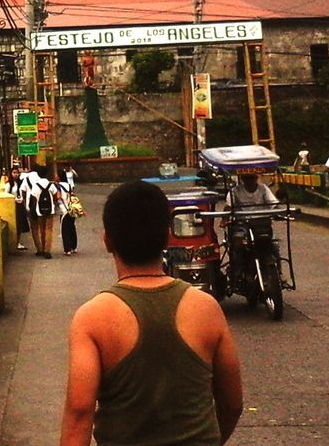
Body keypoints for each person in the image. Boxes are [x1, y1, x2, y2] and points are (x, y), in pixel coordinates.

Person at [60, 181, 244, 446]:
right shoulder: (206, 308)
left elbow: (79, 413)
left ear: (107, 241)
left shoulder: (92, 317)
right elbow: (232, 404)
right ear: (168, 236)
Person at [28, 169, 62, 258]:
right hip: (50, 210)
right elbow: (56, 196)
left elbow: (33, 199)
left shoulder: (36, 186)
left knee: (42, 230)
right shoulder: (51, 185)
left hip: (39, 211)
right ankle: (47, 250)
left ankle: (41, 249)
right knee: (49, 230)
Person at [3, 165, 30, 251]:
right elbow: (6, 196)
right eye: (14, 173)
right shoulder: (8, 185)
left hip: (20, 205)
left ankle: (18, 242)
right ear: (11, 174)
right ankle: (14, 243)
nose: (16, 175)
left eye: (17, 173)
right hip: (13, 205)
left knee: (20, 224)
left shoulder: (20, 183)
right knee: (15, 224)